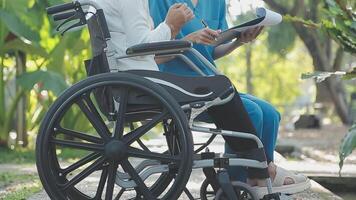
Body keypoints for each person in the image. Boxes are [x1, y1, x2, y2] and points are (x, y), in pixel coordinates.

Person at [97, 0, 272, 189]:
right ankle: (253, 176)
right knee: (237, 99)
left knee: (263, 110)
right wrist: (173, 27)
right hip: (153, 81)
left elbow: (142, 49)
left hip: (148, 76)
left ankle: (262, 171)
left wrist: (236, 41)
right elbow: (143, 49)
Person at [149, 0, 310, 195]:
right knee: (252, 112)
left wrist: (239, 41)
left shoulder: (215, 2)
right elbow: (154, 49)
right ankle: (236, 186)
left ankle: (255, 183)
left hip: (209, 81)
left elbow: (210, 51)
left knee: (270, 113)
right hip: (176, 84)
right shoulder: (159, 2)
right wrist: (191, 38)